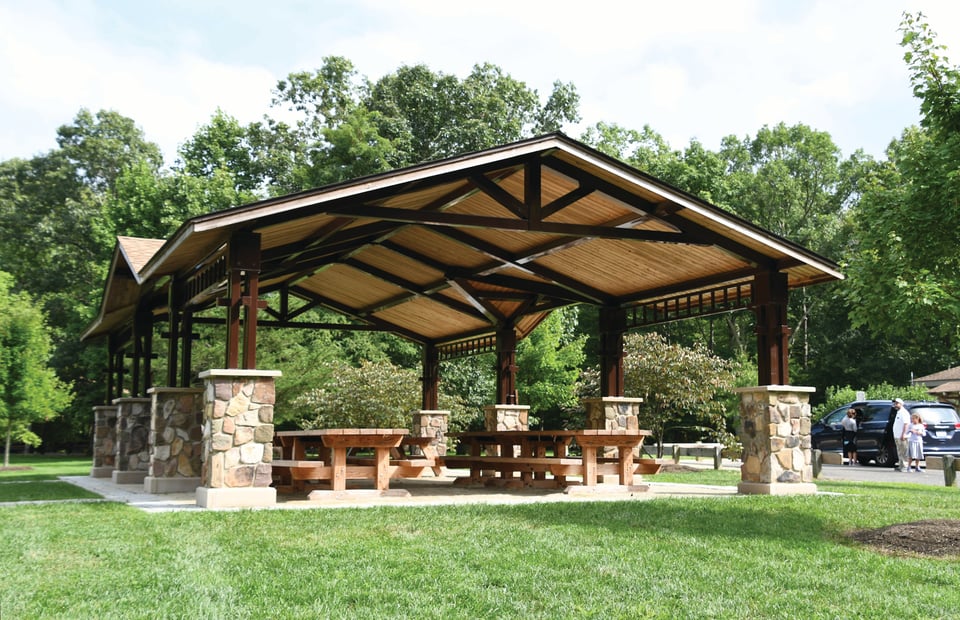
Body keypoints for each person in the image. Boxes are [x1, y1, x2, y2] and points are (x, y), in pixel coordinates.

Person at [892, 398, 911, 472]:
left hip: (902, 436)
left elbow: (906, 424)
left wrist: (903, 434)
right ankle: (901, 465)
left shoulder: (904, 412)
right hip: (897, 436)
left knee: (904, 451)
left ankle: (905, 466)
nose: (895, 405)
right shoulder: (899, 412)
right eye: (895, 403)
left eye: (897, 403)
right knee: (899, 451)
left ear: (901, 404)